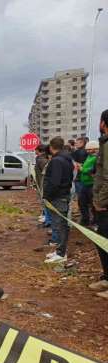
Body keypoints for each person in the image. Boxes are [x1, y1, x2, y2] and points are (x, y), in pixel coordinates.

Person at [43, 137, 74, 264]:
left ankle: (61, 254)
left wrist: (47, 196)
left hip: (57, 197)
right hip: (63, 194)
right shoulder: (67, 159)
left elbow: (54, 182)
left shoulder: (56, 161)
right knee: (59, 224)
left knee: (60, 225)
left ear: (51, 147)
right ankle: (60, 251)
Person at [91, 110, 108, 298]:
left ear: (103, 122)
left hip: (105, 203)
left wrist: (100, 202)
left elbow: (107, 177)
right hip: (103, 201)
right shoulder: (104, 143)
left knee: (105, 240)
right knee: (102, 240)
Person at [78, 140, 99, 227]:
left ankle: (95, 221)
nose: (88, 151)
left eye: (90, 149)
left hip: (92, 184)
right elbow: (86, 166)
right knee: (81, 202)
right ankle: (85, 219)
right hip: (85, 184)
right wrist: (82, 166)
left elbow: (90, 170)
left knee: (93, 204)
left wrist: (81, 168)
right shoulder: (89, 157)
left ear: (96, 149)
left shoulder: (96, 158)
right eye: (87, 149)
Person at [34, 145, 51, 226]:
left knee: (45, 202)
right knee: (44, 202)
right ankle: (46, 218)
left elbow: (46, 173)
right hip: (41, 183)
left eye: (35, 150)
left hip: (43, 184)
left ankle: (48, 220)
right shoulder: (41, 159)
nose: (34, 151)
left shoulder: (42, 160)